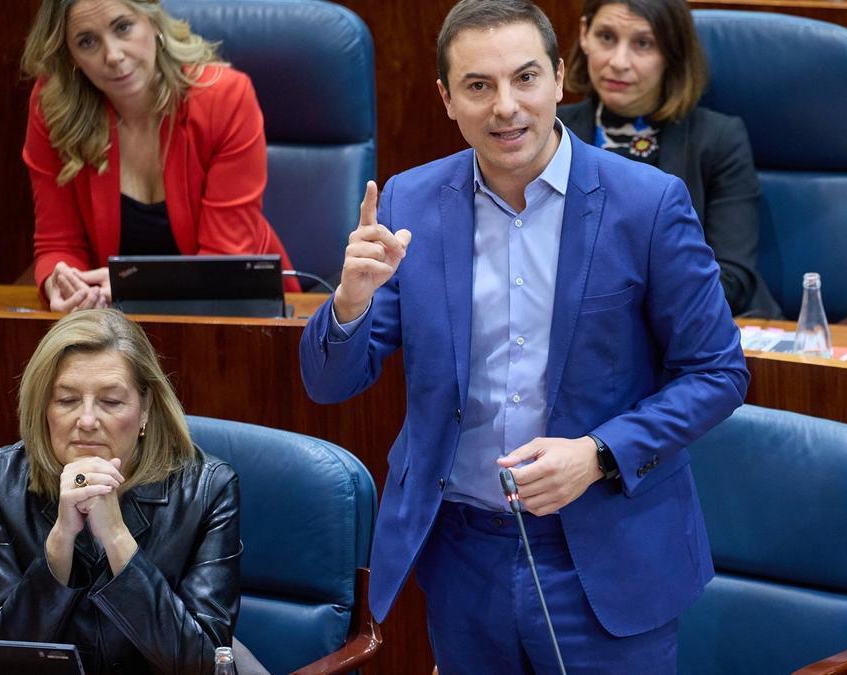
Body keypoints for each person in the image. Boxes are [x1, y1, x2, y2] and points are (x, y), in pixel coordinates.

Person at [299, 0, 748, 670]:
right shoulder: (409, 202)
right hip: (462, 556)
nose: (506, 106)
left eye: (526, 78)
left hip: (605, 552)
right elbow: (330, 383)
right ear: (448, 100)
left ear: (561, 79)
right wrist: (350, 300)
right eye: (479, 86)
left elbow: (718, 372)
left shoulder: (648, 204)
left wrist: (597, 454)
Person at [0, 309, 240, 673]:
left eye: (111, 402)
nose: (86, 421)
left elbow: (203, 662)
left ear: (146, 407)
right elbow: (2, 654)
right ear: (45, 408)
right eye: (67, 400)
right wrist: (59, 541)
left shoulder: (208, 489)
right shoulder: (4, 478)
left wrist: (117, 537)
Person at [21, 0, 299, 313]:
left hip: (233, 315)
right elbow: (58, 244)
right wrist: (63, 285)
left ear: (153, 20)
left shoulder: (226, 98)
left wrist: (134, 287)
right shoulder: (55, 109)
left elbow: (224, 261)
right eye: (87, 41)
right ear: (70, 56)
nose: (112, 56)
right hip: (113, 325)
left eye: (123, 27)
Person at [559, 0, 781, 318]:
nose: (619, 62)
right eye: (606, 37)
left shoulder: (718, 140)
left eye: (643, 44)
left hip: (685, 333)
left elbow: (733, 279)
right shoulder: (552, 133)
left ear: (672, 52)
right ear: (584, 35)